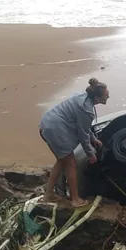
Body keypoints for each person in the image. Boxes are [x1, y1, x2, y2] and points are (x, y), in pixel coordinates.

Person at [39, 78, 109, 207]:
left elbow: (85, 127)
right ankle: (75, 199)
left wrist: (93, 138)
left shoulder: (82, 97)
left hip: (47, 122)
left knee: (61, 161)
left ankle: (49, 194)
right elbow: (82, 134)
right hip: (55, 129)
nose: (108, 96)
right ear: (97, 98)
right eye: (106, 95)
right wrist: (91, 154)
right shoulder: (86, 110)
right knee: (70, 163)